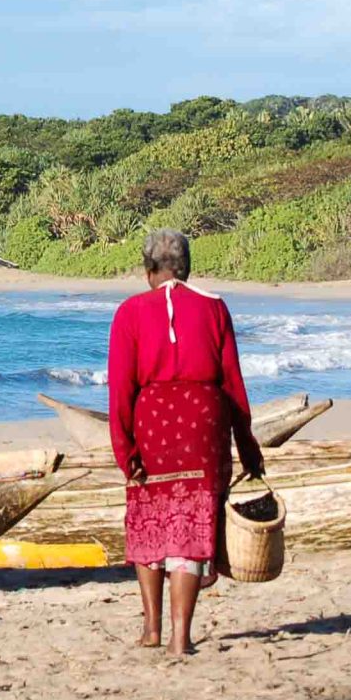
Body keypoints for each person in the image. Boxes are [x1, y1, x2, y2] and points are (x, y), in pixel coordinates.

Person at [107, 229, 265, 655]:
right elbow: (233, 383)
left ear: (148, 272)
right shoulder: (214, 308)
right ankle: (181, 638)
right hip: (203, 421)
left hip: (153, 422)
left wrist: (125, 450)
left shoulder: (129, 312)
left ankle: (153, 630)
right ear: (187, 269)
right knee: (191, 523)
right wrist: (247, 445)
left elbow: (120, 388)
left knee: (149, 519)